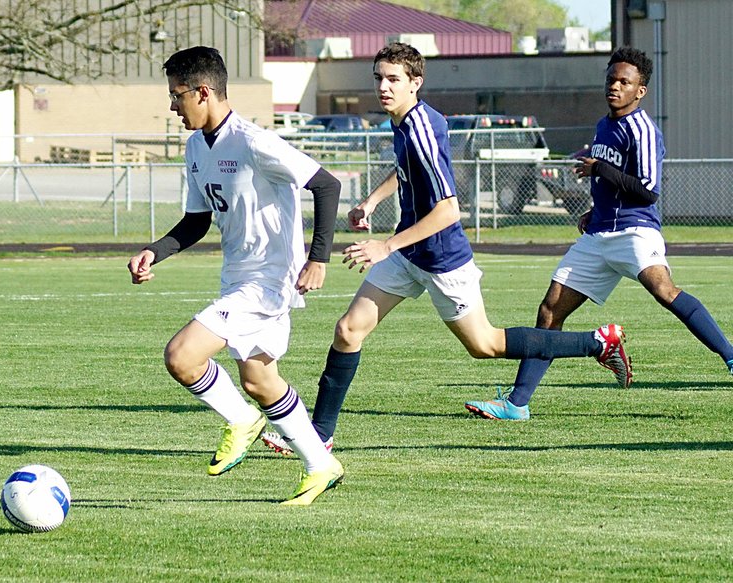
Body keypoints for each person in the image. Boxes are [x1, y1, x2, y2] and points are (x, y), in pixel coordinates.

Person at [260, 42, 631, 456]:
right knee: (349, 330)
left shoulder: (419, 128)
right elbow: (406, 172)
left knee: (484, 345)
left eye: (394, 79)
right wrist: (373, 202)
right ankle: (319, 435)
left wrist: (386, 245)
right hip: (410, 253)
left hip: (441, 260)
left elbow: (449, 210)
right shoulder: (404, 122)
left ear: (416, 83)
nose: (384, 86)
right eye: (379, 78)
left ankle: (598, 342)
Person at [465, 46, 733, 421]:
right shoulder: (604, 125)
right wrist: (596, 209)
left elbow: (647, 190)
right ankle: (517, 404)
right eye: (612, 79)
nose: (616, 86)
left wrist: (600, 169)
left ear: (640, 91)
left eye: (625, 82)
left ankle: (730, 355)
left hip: (635, 232)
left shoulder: (643, 130)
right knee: (549, 311)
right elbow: (613, 182)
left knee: (665, 291)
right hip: (599, 236)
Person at [127, 46, 344, 505]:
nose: (172, 106)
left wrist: (318, 258)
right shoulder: (195, 148)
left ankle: (242, 422)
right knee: (259, 381)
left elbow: (326, 184)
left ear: (203, 92)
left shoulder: (253, 141)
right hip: (237, 279)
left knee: (182, 356)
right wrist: (155, 251)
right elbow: (196, 222)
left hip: (268, 282)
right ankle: (320, 464)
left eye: (176, 95)